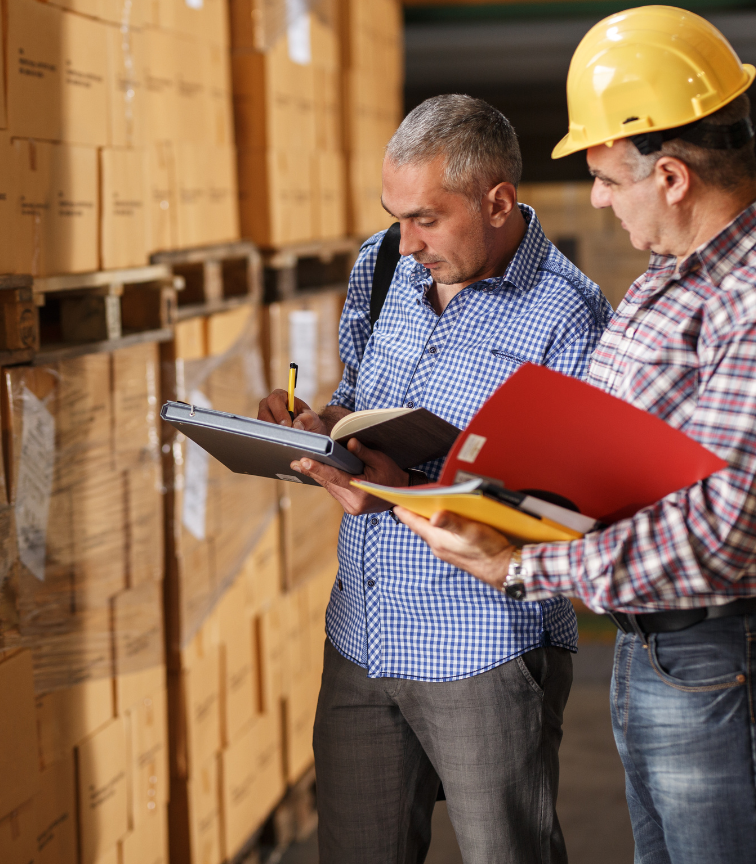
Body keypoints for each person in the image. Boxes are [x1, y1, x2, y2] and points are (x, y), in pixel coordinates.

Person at [396, 8, 756, 864]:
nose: (593, 197)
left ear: (670, 177)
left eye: (605, 177)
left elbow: (717, 534)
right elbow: (610, 454)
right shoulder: (673, 282)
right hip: (664, 641)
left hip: (731, 644)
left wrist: (522, 565)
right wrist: (475, 491)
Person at [257, 95, 611, 863]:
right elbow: (356, 392)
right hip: (362, 637)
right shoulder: (380, 263)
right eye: (395, 215)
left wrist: (407, 483)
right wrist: (324, 439)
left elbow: (565, 512)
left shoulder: (569, 317)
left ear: (498, 202)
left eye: (426, 219)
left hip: (483, 650)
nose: (406, 240)